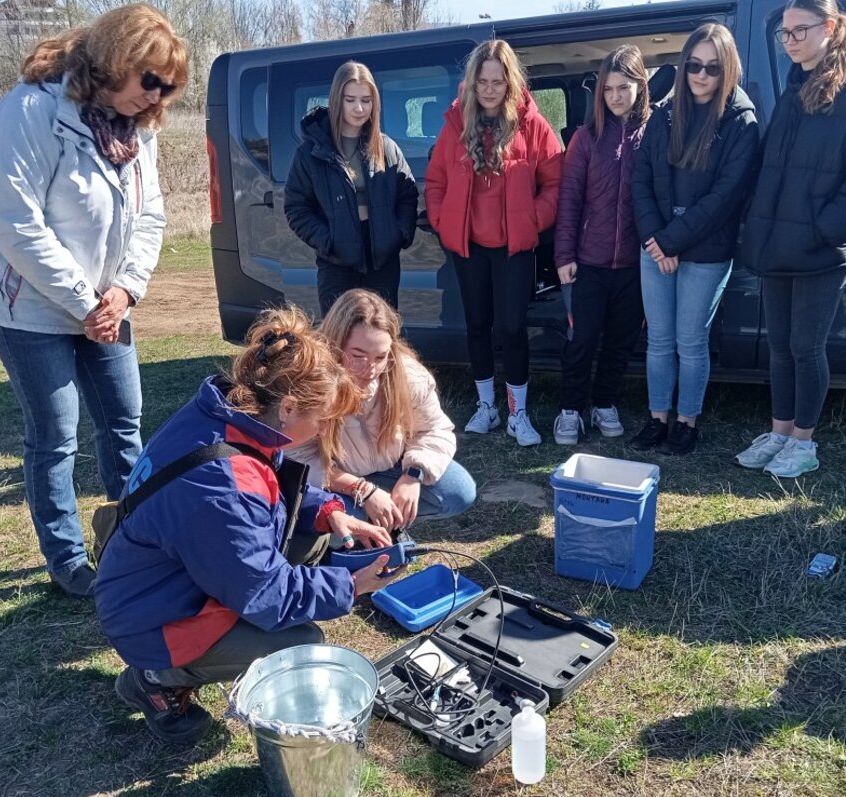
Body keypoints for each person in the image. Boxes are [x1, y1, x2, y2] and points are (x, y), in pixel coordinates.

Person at [95, 306, 396, 745]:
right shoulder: (220, 487)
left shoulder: (234, 413)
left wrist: (328, 510)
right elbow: (266, 596)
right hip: (152, 615)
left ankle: (176, 663)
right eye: (324, 419)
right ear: (290, 406)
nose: (324, 429)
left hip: (166, 574)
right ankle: (158, 677)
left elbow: (267, 493)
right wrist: (351, 585)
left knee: (315, 538)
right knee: (300, 644)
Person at [0, 4, 188, 597]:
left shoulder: (138, 130)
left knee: (125, 421)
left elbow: (150, 216)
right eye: (151, 80)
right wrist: (84, 301)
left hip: (107, 306)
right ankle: (67, 559)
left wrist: (123, 290)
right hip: (32, 309)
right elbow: (17, 225)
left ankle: (135, 539)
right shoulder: (31, 109)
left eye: (167, 88)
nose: (157, 97)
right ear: (116, 59)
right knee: (56, 435)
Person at [737, 0, 846, 477]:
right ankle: (780, 432)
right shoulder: (795, 87)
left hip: (821, 250)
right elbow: (772, 168)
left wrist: (821, 232)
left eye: (798, 32)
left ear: (829, 28)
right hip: (781, 243)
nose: (789, 43)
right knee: (781, 345)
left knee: (807, 346)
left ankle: (804, 442)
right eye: (784, 35)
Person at [425, 39, 564, 447]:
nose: (489, 89)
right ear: (472, 83)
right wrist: (442, 220)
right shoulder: (455, 125)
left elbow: (555, 183)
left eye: (497, 81)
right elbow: (435, 183)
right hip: (469, 246)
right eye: (482, 81)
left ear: (510, 83)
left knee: (512, 326)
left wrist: (529, 222)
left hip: (513, 248)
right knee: (477, 326)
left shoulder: (532, 124)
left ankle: (518, 413)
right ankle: (486, 406)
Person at [631, 23, 760, 456]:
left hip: (704, 249)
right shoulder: (665, 113)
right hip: (657, 246)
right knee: (659, 340)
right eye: (693, 65)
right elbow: (641, 180)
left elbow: (724, 198)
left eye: (712, 67)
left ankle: (687, 422)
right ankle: (656, 419)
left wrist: (671, 242)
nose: (701, 75)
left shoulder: (741, 121)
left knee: (690, 340)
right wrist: (656, 239)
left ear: (728, 70)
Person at [295, 289, 477, 527]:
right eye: (358, 356)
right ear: (334, 344)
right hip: (334, 478)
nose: (370, 369)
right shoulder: (310, 381)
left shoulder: (408, 375)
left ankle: (385, 522)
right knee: (345, 521)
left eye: (380, 357)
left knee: (458, 492)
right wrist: (361, 489)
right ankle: (358, 531)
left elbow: (435, 430)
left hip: (391, 466)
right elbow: (298, 458)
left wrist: (413, 474)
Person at [551, 46, 650, 446]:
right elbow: (570, 199)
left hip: (634, 264)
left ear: (639, 86)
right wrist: (564, 255)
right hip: (588, 262)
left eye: (623, 87)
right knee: (582, 339)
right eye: (608, 88)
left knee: (620, 340)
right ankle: (570, 409)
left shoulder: (654, 134)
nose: (615, 96)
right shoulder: (586, 138)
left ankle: (604, 402)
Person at [285, 61, 418, 315]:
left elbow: (407, 194)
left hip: (383, 262)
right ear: (337, 100)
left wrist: (398, 233)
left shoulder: (386, 147)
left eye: (366, 100)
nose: (359, 108)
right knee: (339, 340)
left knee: (382, 337)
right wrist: (328, 241)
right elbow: (296, 207)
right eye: (350, 100)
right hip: (337, 262)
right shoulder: (310, 152)